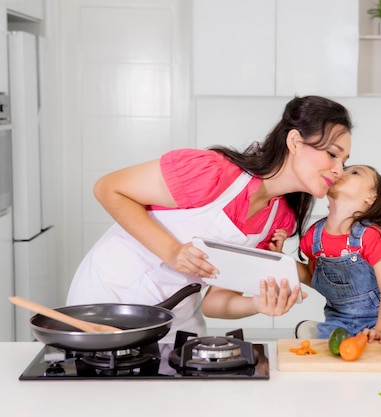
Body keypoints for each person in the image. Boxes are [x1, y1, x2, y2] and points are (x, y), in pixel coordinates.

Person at [66, 95, 353, 341]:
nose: (339, 170)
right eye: (332, 154)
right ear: (294, 141)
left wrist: (259, 304)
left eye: (344, 161)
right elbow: (108, 188)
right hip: (111, 298)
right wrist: (172, 251)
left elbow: (215, 302)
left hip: (173, 317)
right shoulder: (211, 172)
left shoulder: (279, 221)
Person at [297, 164, 381, 342]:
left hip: (380, 319)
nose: (342, 172)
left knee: (379, 354)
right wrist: (278, 256)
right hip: (339, 321)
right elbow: (313, 278)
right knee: (326, 353)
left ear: (371, 197)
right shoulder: (314, 237)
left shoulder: (371, 237)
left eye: (355, 172)